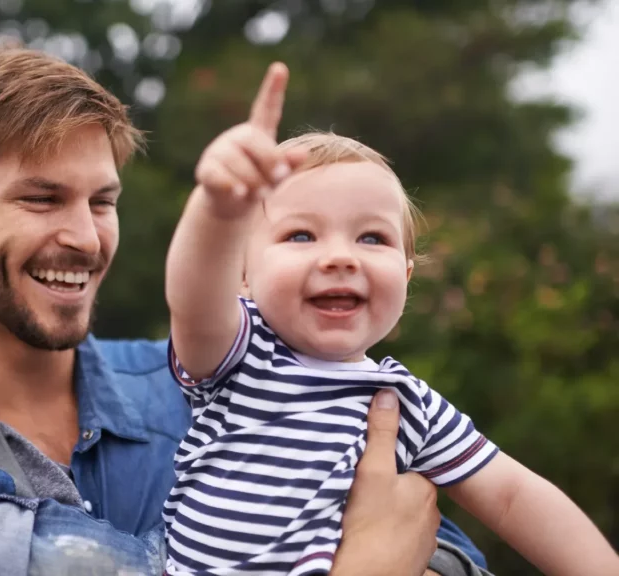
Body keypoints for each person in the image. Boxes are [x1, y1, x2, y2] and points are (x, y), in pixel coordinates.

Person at [0, 45, 491, 576]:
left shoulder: (223, 381)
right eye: (41, 199)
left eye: (102, 201)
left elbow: (444, 551)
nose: (86, 238)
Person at [161, 62, 619, 575]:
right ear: (243, 276)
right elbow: (193, 301)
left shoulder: (405, 402)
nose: (340, 257)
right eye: (301, 235)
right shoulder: (243, 352)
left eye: (372, 237)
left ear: (405, 274)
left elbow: (513, 497)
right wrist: (217, 209)